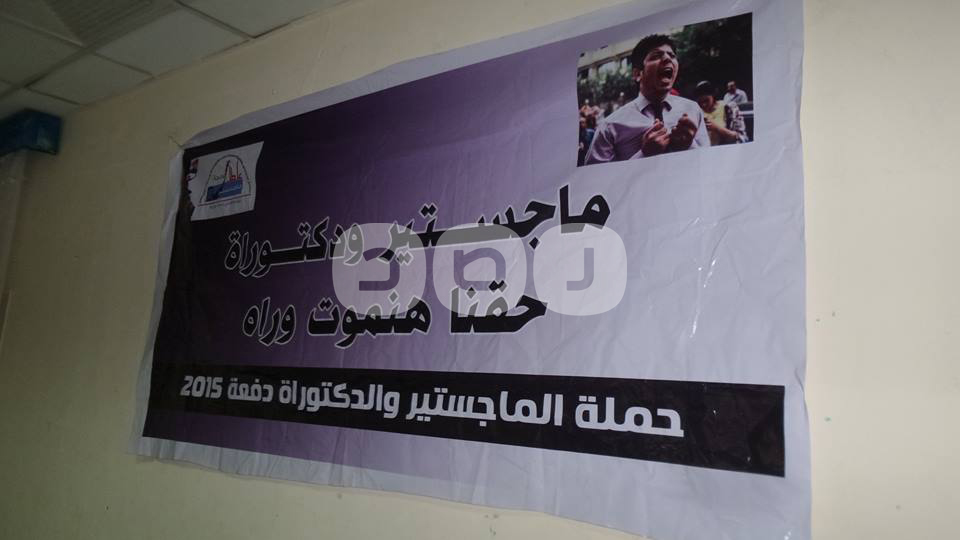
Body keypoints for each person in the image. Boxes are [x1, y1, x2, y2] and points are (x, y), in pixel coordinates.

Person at [584, 34, 708, 164]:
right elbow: (597, 175)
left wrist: (688, 145)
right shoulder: (610, 126)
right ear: (637, 74)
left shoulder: (693, 110)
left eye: (672, 55)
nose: (667, 58)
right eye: (656, 56)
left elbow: (707, 163)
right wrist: (644, 155)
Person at [695, 81, 748, 146]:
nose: (703, 105)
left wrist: (716, 128)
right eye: (700, 102)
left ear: (713, 96)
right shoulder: (698, 112)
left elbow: (741, 138)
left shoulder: (729, 108)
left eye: (706, 100)